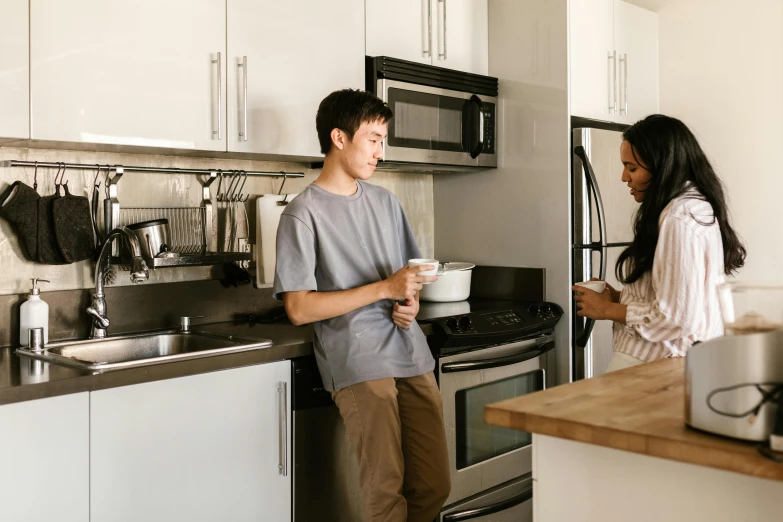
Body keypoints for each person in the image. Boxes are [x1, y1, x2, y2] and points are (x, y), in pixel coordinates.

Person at [273, 89, 451, 521]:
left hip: (409, 351)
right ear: (339, 138)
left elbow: (406, 278)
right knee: (386, 490)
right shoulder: (302, 214)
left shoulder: (386, 202)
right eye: (372, 138)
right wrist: (385, 290)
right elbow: (298, 308)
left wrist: (410, 298)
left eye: (382, 140)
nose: (380, 152)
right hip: (356, 358)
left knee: (435, 483)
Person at [573, 114, 746, 373]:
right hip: (679, 361)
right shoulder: (693, 207)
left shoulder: (678, 218)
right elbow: (679, 300)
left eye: (632, 168)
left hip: (657, 361)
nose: (624, 177)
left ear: (662, 167)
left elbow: (678, 318)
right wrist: (621, 297)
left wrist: (607, 309)